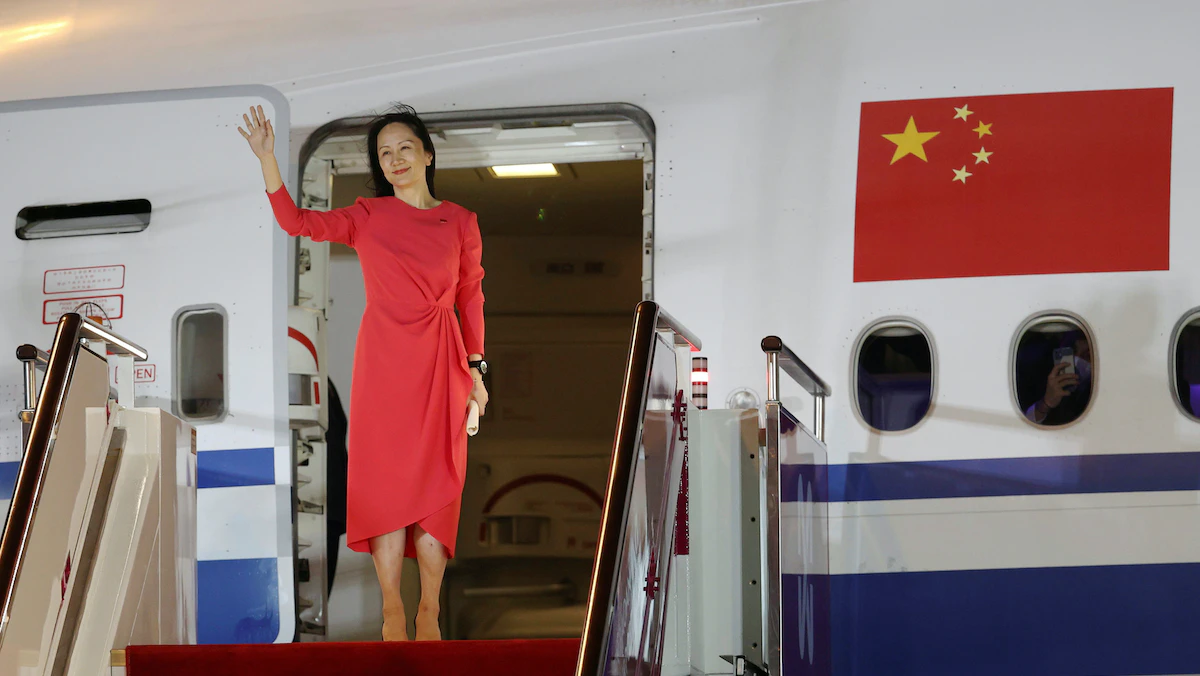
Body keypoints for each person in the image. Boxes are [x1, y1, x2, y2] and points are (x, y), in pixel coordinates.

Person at [239, 104, 489, 641]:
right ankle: (392, 607)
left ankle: (429, 610)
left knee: (439, 486)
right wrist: (267, 160)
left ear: (427, 154)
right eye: (384, 153)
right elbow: (296, 222)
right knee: (385, 486)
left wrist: (477, 372)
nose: (395, 159)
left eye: (405, 148)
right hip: (384, 364)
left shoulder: (460, 221)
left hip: (443, 361)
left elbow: (471, 299)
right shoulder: (367, 215)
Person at [1024, 336, 1092, 425]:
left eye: (1087, 356)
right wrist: (1046, 403)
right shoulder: (1041, 384)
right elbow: (1024, 427)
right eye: (1072, 352)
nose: (1077, 360)